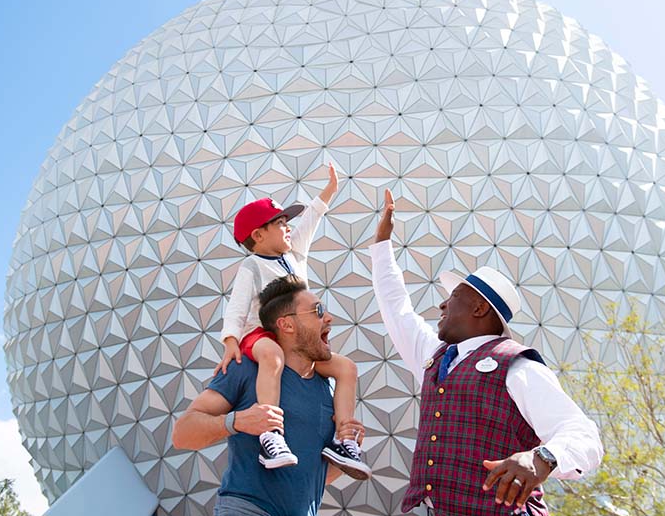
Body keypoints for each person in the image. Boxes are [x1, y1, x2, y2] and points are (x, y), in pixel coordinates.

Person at [369, 189, 603, 515]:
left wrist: (542, 458)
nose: (442, 304)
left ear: (479, 308)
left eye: (453, 297)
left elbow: (583, 435)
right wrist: (381, 246)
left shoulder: (517, 367)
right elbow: (397, 308)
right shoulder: (434, 358)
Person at [213, 163, 370, 479]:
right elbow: (236, 310)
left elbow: (312, 218)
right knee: (272, 356)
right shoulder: (251, 267)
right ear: (258, 234)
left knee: (345, 368)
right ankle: (271, 435)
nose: (288, 227)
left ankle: (343, 439)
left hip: (297, 339)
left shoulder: (295, 255)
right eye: (280, 222)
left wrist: (330, 190)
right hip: (261, 335)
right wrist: (230, 341)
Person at [172, 276, 367, 516]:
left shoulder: (329, 389)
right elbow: (182, 435)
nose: (328, 318)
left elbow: (317, 476)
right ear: (286, 325)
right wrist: (237, 421)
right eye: (318, 311)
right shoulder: (246, 370)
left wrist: (346, 450)